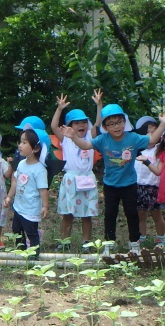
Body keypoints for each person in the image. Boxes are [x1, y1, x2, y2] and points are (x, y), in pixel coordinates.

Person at [62, 103, 165, 256]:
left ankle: (134, 243)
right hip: (110, 185)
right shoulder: (103, 139)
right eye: (111, 124)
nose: (117, 127)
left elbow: (152, 139)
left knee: (132, 213)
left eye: (119, 122)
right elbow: (85, 145)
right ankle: (109, 243)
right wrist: (73, 136)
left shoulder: (132, 138)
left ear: (124, 122)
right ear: (106, 127)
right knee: (110, 214)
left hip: (129, 184)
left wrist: (163, 123)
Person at [50, 91, 102, 253]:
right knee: (68, 214)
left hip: (87, 178)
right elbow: (53, 126)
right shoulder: (65, 138)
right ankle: (64, 241)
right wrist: (59, 109)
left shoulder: (90, 136)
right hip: (71, 179)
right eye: (76, 123)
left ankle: (86, 242)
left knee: (87, 215)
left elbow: (98, 124)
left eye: (84, 122)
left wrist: (99, 105)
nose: (81, 125)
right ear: (68, 127)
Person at [3, 126, 50, 259]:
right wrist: (9, 196)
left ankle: (34, 256)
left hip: (31, 209)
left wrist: (45, 206)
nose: (20, 145)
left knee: (31, 232)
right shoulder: (22, 164)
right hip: (19, 206)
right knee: (16, 230)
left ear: (35, 148)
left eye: (24, 143)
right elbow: (15, 182)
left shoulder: (39, 170)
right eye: (20, 142)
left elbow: (43, 189)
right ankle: (21, 251)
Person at [133, 116, 165, 247]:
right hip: (137, 186)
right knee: (140, 214)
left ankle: (161, 238)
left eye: (154, 132)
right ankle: (142, 236)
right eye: (148, 132)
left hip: (153, 186)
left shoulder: (159, 149)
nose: (152, 136)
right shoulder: (136, 148)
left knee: (156, 214)